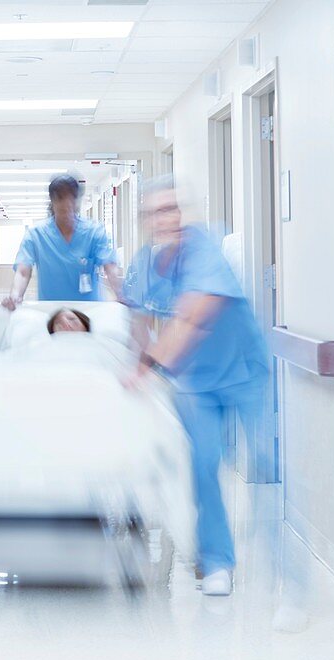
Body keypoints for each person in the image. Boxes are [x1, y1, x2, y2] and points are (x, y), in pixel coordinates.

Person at [122, 177, 269, 597]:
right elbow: (136, 320)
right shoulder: (144, 264)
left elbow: (192, 316)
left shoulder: (204, 249)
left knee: (268, 466)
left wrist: (147, 367)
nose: (166, 219)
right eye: (156, 212)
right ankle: (218, 560)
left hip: (243, 372)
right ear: (145, 221)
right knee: (204, 465)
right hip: (193, 381)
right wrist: (140, 360)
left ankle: (282, 574)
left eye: (172, 209)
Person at [2, 174, 123, 308]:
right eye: (60, 198)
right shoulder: (36, 234)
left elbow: (110, 266)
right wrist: (15, 296)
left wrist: (121, 294)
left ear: (77, 200)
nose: (66, 203)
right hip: (51, 313)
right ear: (52, 201)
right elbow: (23, 271)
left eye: (71, 197)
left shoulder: (93, 232)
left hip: (89, 312)